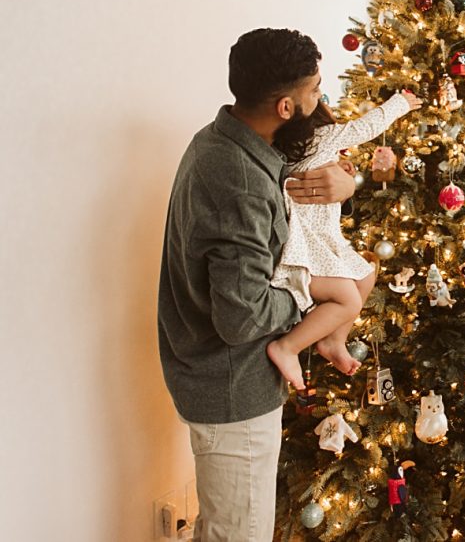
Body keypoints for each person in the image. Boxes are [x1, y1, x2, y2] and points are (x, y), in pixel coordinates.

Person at [158, 28, 355, 541]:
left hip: (219, 378)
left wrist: (349, 183)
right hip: (232, 388)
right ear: (286, 106)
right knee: (238, 534)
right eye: (314, 89)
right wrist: (306, 292)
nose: (322, 97)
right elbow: (241, 315)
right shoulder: (240, 181)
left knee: (224, 527)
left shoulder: (224, 139)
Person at [266, 86, 421, 386]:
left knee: (365, 275)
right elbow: (366, 126)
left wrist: (338, 166)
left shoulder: (299, 148)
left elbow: (317, 166)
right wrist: (400, 103)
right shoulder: (322, 136)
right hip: (307, 245)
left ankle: (333, 341)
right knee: (348, 301)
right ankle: (287, 347)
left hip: (324, 239)